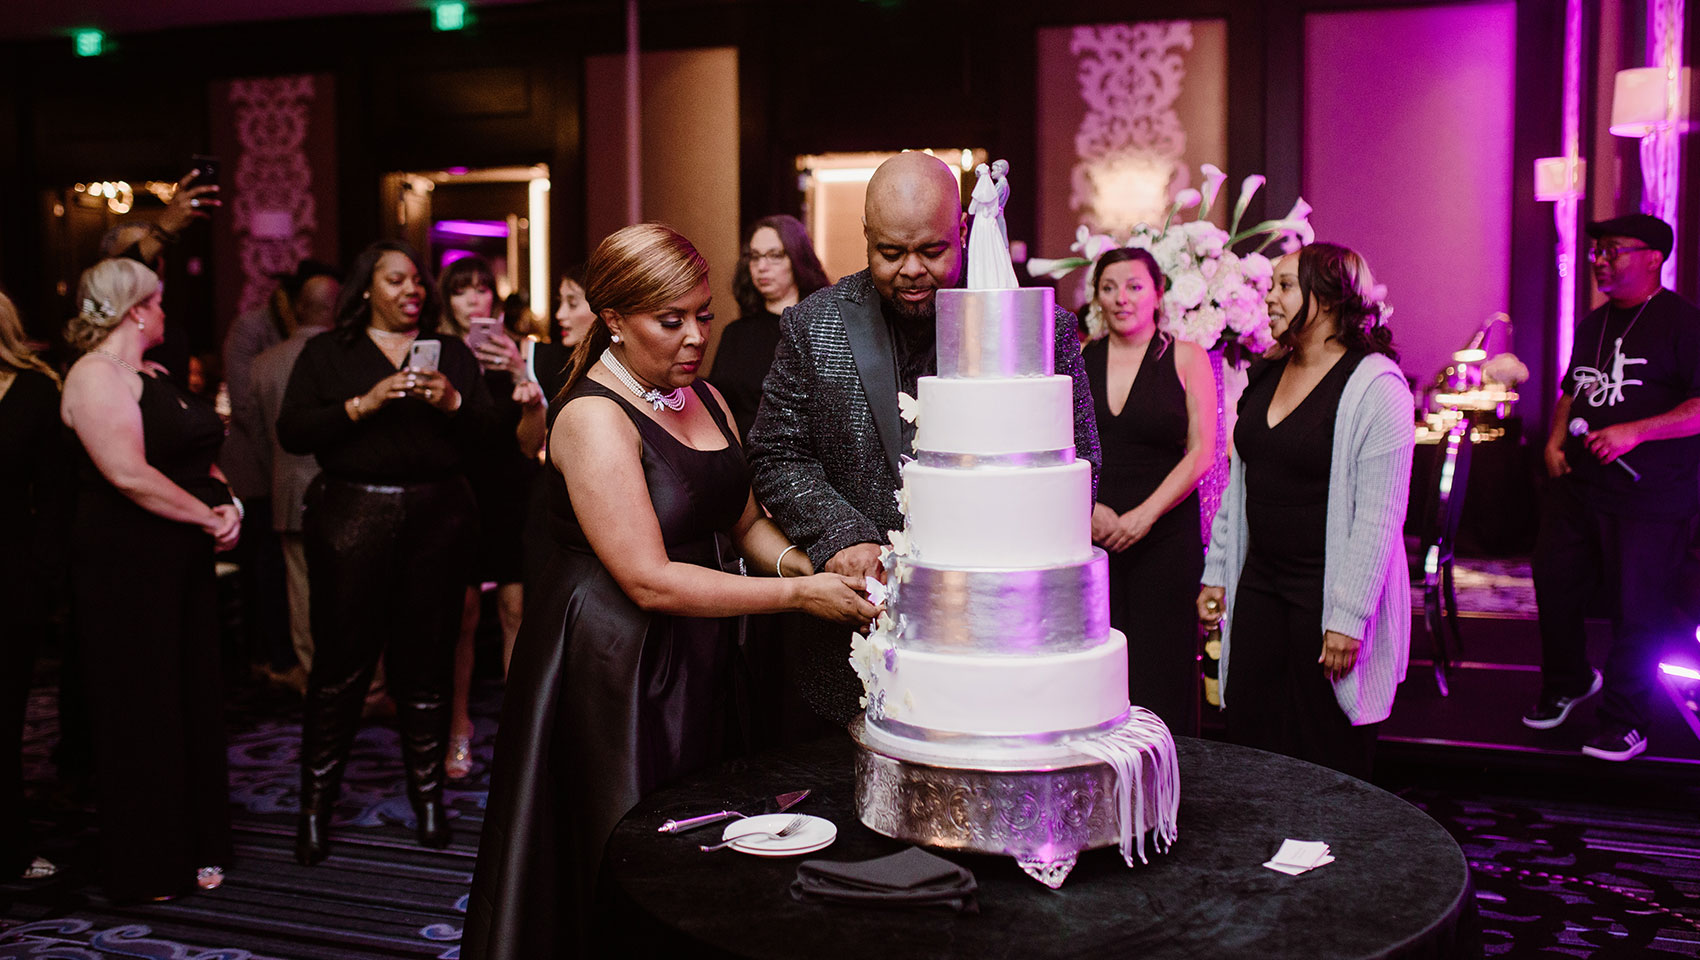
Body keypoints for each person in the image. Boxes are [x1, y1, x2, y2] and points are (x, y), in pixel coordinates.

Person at [462, 223, 874, 959]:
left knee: (714, 837)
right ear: (614, 321)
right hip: (620, 660)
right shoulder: (591, 416)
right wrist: (799, 598)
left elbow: (745, 521)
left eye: (703, 316)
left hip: (708, 636)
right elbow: (647, 580)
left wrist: (803, 567)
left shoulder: (704, 397)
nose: (695, 337)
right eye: (671, 320)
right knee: (634, 843)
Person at [748, 151, 1101, 726]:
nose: (912, 269)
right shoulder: (813, 324)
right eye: (890, 253)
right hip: (850, 653)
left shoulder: (1040, 329)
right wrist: (843, 535)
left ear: (961, 230)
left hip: (998, 645)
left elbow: (1078, 462)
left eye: (932, 250)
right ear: (866, 236)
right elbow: (776, 452)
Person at [277, 241, 496, 865]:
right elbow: (292, 431)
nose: (411, 291)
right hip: (353, 515)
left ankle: (428, 802)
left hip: (438, 515)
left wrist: (453, 402)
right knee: (341, 666)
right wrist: (363, 404)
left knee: (425, 662)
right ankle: (314, 810)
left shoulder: (449, 352)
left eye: (417, 281)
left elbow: (489, 437)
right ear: (367, 288)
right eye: (396, 280)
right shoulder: (330, 352)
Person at [59, 258, 241, 899]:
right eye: (158, 301)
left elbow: (198, 456)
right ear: (137, 310)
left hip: (180, 560)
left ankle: (198, 841)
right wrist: (207, 518)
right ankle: (150, 860)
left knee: (190, 696)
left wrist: (229, 504)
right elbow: (128, 473)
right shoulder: (94, 375)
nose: (166, 312)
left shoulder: (153, 375)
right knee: (143, 706)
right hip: (126, 566)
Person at [1196, 242, 1411, 781]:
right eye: (1271, 286)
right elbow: (1239, 486)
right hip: (1261, 581)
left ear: (1331, 298)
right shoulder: (1268, 372)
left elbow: (1380, 519)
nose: (1269, 298)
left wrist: (1348, 619)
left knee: (1324, 743)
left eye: (1285, 286)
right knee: (1252, 727)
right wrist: (1217, 572)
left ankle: (1328, 836)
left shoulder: (1376, 388)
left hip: (1327, 588)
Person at [1524, 214, 1700, 761]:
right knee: (1553, 580)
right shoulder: (1593, 324)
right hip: (1581, 484)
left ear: (1653, 257)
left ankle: (1627, 720)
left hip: (1652, 493)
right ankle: (1571, 680)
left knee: (1636, 607)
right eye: (1597, 250)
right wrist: (1555, 441)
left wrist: (1634, 432)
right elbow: (1573, 390)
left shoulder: (1684, 323)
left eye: (1613, 250)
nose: (1599, 260)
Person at [1084, 247, 1217, 736]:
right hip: (1094, 535)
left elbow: (1203, 452)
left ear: (1158, 294)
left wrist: (1144, 515)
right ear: (1097, 298)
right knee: (1100, 669)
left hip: (1165, 535)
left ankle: (1168, 772)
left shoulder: (1186, 356)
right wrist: (1087, 508)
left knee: (1163, 669)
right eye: (1109, 287)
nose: (1122, 298)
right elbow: (1056, 444)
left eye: (1135, 286)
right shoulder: (1081, 358)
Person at [437, 255, 547, 780]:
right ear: (447, 299)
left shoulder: (517, 352)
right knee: (460, 615)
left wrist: (523, 382)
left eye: (482, 289)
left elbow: (530, 444)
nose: (474, 298)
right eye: (462, 290)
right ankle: (457, 726)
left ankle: (516, 733)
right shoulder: (437, 353)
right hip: (458, 489)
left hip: (511, 489)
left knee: (515, 608)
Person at [0, 291, 68, 882]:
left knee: (5, 716)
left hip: (11, 577)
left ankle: (11, 843)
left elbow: (54, 500)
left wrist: (42, 578)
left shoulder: (34, 392)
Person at [250, 264, 342, 690]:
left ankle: (312, 680)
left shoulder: (264, 363)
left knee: (301, 592)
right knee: (351, 590)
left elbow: (256, 434)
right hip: (342, 487)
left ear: (299, 308)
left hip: (287, 488)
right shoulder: (346, 356)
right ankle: (365, 684)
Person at [709, 215, 830, 445]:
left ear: (797, 258)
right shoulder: (735, 333)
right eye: (754, 257)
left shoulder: (821, 329)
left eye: (775, 256)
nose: (761, 267)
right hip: (742, 456)